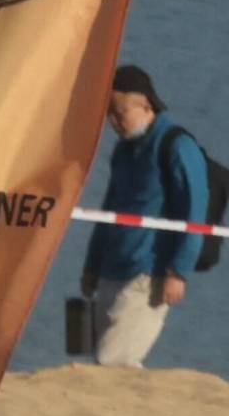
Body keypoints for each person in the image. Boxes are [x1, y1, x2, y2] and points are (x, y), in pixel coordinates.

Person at [74, 67, 208, 368]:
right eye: (108, 114)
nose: (113, 122)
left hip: (149, 274)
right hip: (111, 268)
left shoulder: (177, 146)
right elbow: (108, 211)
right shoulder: (123, 152)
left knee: (113, 362)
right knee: (83, 358)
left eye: (119, 113)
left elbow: (195, 212)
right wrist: (91, 266)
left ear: (146, 105)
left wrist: (179, 271)